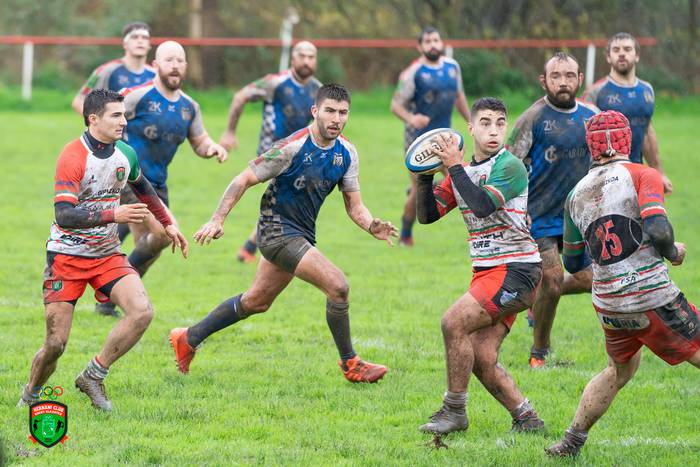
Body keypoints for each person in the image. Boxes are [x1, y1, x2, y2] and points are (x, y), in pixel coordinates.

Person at [169, 84, 396, 383]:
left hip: (301, 233)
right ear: (315, 111)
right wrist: (217, 219)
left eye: (342, 113)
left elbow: (355, 206)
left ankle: (188, 338)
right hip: (276, 231)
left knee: (256, 302)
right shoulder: (292, 147)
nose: (336, 119)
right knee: (338, 286)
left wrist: (370, 225)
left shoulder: (348, 153)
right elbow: (243, 178)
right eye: (329, 111)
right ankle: (350, 363)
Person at [18, 89, 188, 411]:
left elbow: (145, 190)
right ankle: (30, 393)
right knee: (56, 344)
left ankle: (93, 375)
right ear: (93, 119)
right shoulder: (72, 156)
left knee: (142, 312)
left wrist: (168, 224)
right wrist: (115, 214)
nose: (124, 121)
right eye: (116, 115)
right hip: (66, 257)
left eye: (124, 114)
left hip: (106, 254)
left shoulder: (126, 153)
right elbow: (64, 215)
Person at [545, 110, 699, 457]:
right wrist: (673, 252)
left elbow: (571, 261)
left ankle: (571, 441)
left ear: (591, 147)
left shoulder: (575, 194)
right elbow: (658, 229)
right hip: (650, 295)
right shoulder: (644, 174)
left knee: (620, 368)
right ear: (627, 141)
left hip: (609, 303)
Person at [415, 97, 544, 434]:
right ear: (470, 128)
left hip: (517, 269)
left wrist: (454, 167)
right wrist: (425, 177)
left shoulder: (510, 166)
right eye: (485, 122)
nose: (494, 130)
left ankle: (454, 411)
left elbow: (483, 205)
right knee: (481, 357)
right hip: (489, 272)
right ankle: (527, 419)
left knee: (452, 323)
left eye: (500, 122)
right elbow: (427, 215)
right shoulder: (464, 173)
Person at [94, 40, 227, 317]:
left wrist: (212, 147)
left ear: (186, 67)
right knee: (167, 232)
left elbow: (199, 141)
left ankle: (109, 296)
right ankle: (113, 289)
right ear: (156, 65)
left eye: (180, 61)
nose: (175, 65)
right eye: (169, 60)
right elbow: (102, 119)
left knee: (151, 247)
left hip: (158, 185)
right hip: (130, 180)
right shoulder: (136, 96)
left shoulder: (190, 107)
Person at [507, 52, 599, 368]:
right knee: (553, 277)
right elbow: (509, 167)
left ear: (579, 79)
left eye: (569, 75)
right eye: (556, 76)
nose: (563, 82)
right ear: (544, 80)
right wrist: (518, 209)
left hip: (577, 217)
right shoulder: (531, 118)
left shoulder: (591, 116)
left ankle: (536, 299)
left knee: (590, 280)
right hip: (540, 215)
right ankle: (540, 353)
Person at [219, 41, 322, 263]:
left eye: (311, 56)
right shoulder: (274, 83)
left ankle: (250, 249)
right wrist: (229, 132)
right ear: (292, 59)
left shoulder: (318, 90)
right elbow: (240, 97)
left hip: (298, 156)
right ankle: (261, 250)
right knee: (286, 206)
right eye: (301, 56)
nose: (306, 61)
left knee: (284, 206)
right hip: (272, 153)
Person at [391, 26, 470, 246]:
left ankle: (479, 234)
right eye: (428, 41)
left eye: (436, 40)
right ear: (420, 46)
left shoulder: (453, 67)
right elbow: (395, 105)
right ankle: (405, 233)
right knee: (419, 191)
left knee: (463, 180)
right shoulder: (412, 73)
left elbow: (459, 95)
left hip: (446, 138)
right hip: (419, 141)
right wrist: (411, 118)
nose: (433, 44)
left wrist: (470, 120)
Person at [583, 32, 672, 193]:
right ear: (608, 57)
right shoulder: (596, 93)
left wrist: (659, 172)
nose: (622, 53)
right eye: (616, 50)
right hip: (604, 180)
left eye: (627, 49)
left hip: (636, 173)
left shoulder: (647, 90)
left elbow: (646, 131)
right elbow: (583, 139)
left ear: (637, 56)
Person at [71, 22, 155, 115]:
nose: (140, 41)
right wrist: (98, 124)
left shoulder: (155, 75)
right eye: (134, 37)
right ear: (125, 44)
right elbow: (79, 101)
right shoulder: (106, 70)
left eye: (145, 38)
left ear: (149, 45)